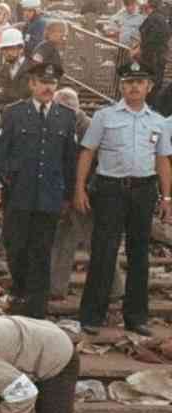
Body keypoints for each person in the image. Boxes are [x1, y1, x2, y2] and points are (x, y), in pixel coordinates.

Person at [75, 61, 172, 337]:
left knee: (139, 254)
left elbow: (163, 159)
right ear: (121, 86)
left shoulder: (158, 121)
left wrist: (167, 197)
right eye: (129, 82)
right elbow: (87, 152)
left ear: (149, 87)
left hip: (144, 191)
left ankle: (136, 317)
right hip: (110, 190)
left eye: (139, 82)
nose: (134, 87)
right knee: (104, 252)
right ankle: (92, 316)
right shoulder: (104, 117)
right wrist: (79, 188)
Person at [0, 63, 76, 320]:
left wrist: (69, 195)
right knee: (15, 246)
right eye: (43, 82)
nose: (48, 87)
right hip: (18, 192)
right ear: (32, 84)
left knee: (42, 250)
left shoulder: (66, 116)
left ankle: (36, 306)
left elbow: (69, 160)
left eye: (52, 83)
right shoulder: (14, 113)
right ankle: (20, 291)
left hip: (50, 195)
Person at [48, 87, 125, 301]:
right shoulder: (61, 124)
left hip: (88, 196)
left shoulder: (91, 128)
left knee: (96, 243)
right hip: (67, 194)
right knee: (62, 239)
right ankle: (55, 287)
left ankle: (114, 289)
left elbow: (104, 165)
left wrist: (85, 191)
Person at [0, 28, 31, 144]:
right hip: (6, 126)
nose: (7, 52)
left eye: (11, 48)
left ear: (21, 48)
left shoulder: (34, 70)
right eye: (4, 49)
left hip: (30, 128)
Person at [138, 0, 168, 107]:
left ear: (149, 6)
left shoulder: (153, 19)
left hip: (151, 57)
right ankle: (152, 106)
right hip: (160, 56)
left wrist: (141, 47)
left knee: (149, 83)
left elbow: (149, 38)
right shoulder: (162, 18)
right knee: (157, 83)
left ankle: (148, 106)